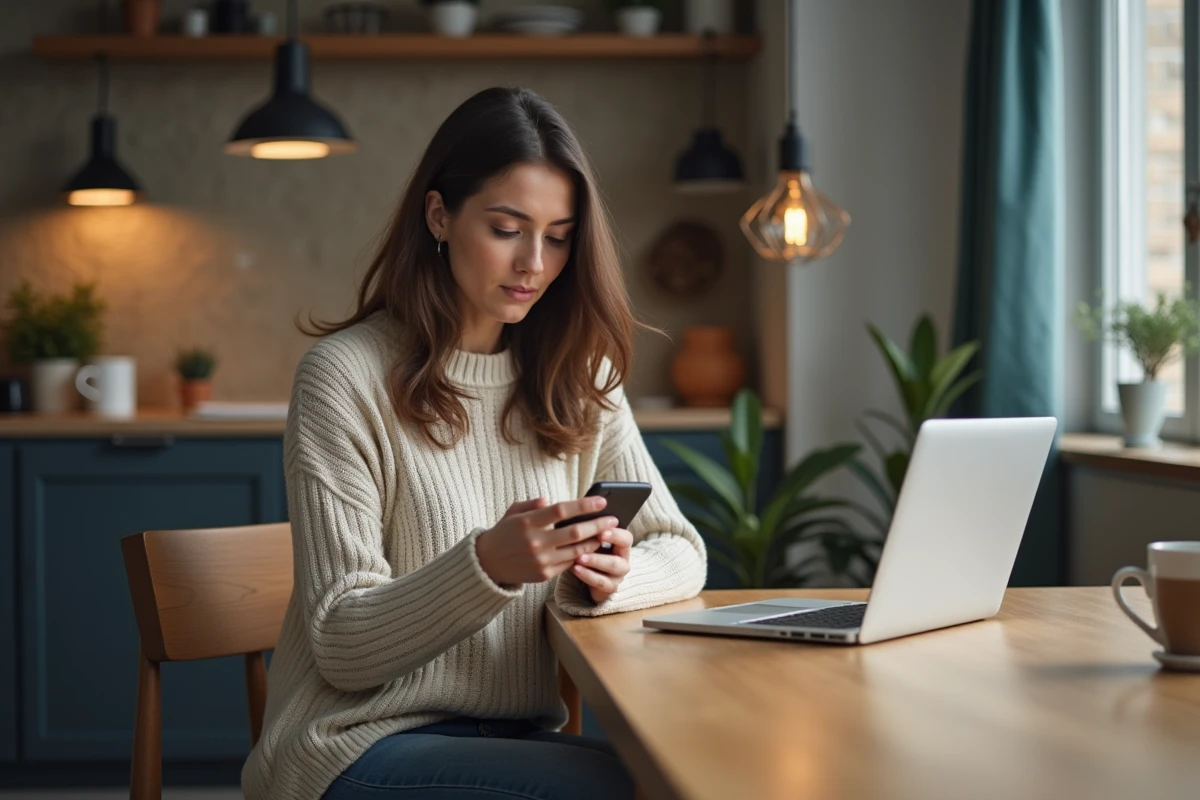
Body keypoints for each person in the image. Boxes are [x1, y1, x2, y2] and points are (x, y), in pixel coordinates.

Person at [241, 86, 708, 800]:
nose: (535, 264)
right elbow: (339, 640)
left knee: (680, 775)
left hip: (518, 738)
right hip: (354, 744)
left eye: (558, 236)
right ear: (439, 215)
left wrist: (611, 580)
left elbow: (681, 548)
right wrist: (489, 564)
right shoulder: (344, 376)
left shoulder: (579, 375)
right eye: (506, 228)